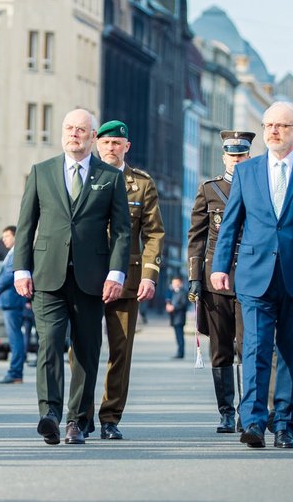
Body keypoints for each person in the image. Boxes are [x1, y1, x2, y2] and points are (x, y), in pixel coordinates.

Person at [210, 101, 293, 450]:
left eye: (282, 126)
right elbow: (231, 223)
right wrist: (220, 267)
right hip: (254, 276)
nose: (274, 131)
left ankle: (285, 424)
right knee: (254, 350)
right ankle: (252, 422)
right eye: (269, 126)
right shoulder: (247, 172)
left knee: (292, 353)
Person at [13, 108, 131, 446]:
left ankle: (77, 421)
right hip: (47, 275)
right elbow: (26, 226)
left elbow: (122, 231)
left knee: (85, 350)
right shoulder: (42, 172)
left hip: (92, 279)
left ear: (93, 137)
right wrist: (21, 269)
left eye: (81, 129)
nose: (74, 134)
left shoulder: (110, 177)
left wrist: (116, 272)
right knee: (49, 345)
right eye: (69, 128)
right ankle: (50, 413)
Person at [91, 120, 164, 441]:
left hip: (128, 279)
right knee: (83, 349)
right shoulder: (84, 176)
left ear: (126, 147)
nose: (111, 148)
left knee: (120, 351)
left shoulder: (141, 184)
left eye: (117, 143)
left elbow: (153, 233)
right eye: (106, 143)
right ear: (97, 144)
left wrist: (150, 275)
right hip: (87, 277)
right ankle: (79, 413)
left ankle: (110, 416)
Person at [186, 130, 254, 433]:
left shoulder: (259, 186)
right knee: (221, 348)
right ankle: (226, 412)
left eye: (242, 154)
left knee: (249, 347)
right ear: (223, 156)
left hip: (251, 277)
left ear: (249, 156)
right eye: (232, 154)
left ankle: (247, 410)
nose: (237, 160)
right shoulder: (209, 189)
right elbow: (197, 236)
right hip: (216, 279)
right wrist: (194, 278)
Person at [0, 225, 29, 384]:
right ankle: (15, 371)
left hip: (12, 301)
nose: (4, 239)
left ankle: (15, 372)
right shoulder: (11, 253)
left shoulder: (16, 253)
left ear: (15, 236)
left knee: (15, 338)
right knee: (15, 337)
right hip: (11, 302)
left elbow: (7, 276)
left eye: (7, 236)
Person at [166, 277, 188, 358]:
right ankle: (179, 352)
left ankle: (180, 353)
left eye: (176, 282)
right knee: (178, 336)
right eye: (173, 283)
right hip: (174, 318)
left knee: (180, 336)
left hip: (180, 318)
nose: (174, 284)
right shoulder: (172, 292)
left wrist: (173, 307)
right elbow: (169, 300)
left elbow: (184, 304)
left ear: (180, 283)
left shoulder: (183, 292)